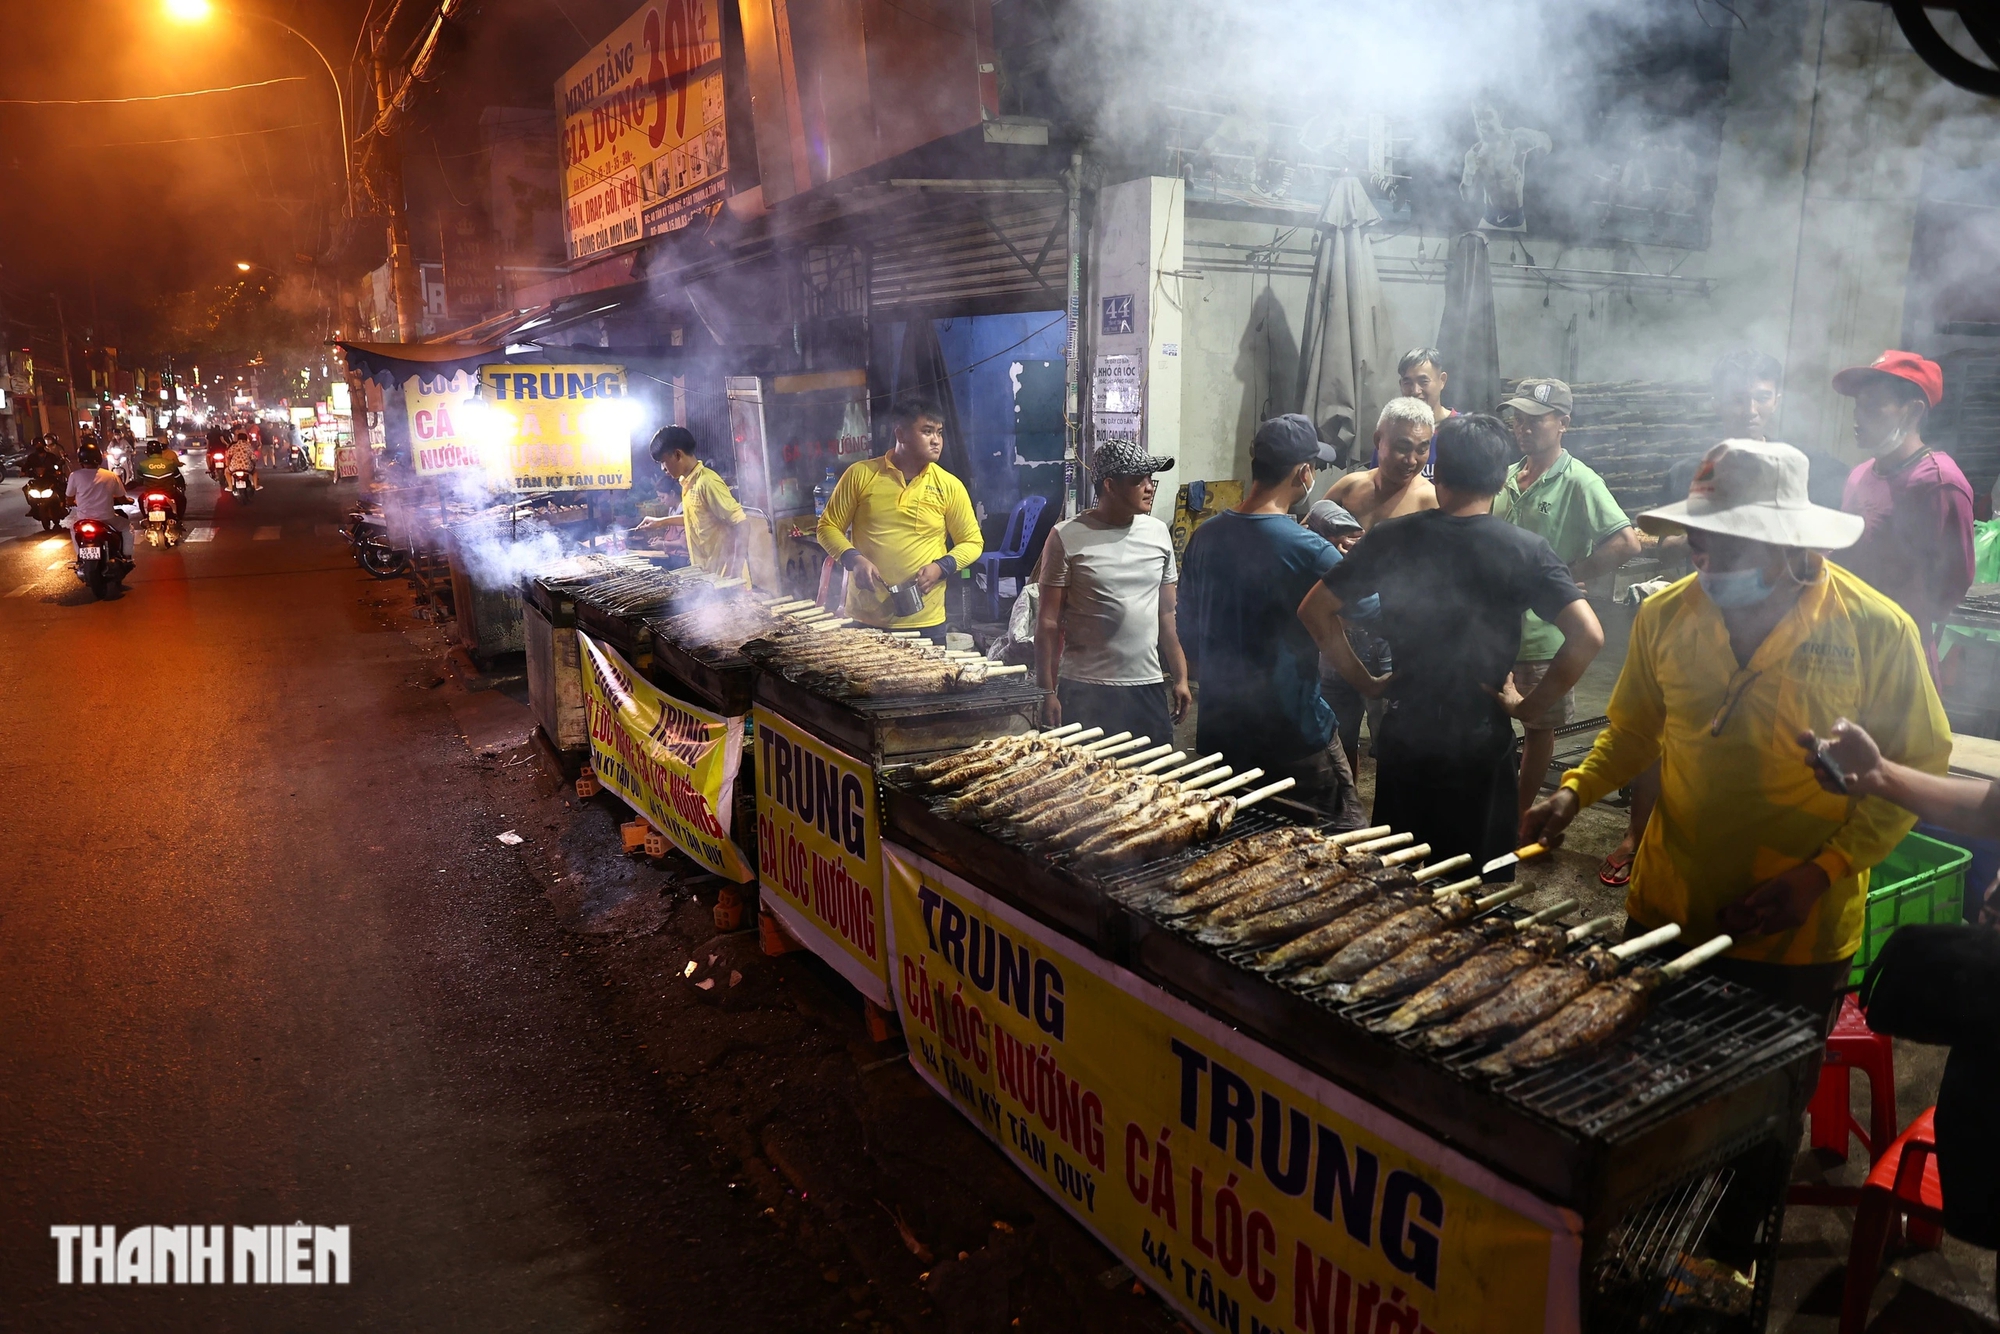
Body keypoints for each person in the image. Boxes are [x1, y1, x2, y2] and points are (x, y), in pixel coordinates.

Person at [1520, 439, 1952, 1017]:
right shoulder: (1664, 614)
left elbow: (1915, 766)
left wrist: (1823, 874)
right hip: (1669, 905)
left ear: (1790, 545)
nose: (1709, 566)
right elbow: (1634, 732)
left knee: (1763, 1099)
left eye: (1731, 550)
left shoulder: (1876, 628)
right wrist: (1576, 790)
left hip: (1797, 924)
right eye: (1700, 545)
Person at [1303, 413, 1604, 873]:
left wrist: (1366, 682)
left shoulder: (1394, 537)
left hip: (1408, 735)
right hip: (1480, 740)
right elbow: (1588, 635)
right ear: (1502, 478)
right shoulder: (1525, 549)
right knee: (1478, 896)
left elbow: (1315, 610)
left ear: (1437, 472)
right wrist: (1527, 707)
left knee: (1402, 882)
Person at [1605, 349, 1844, 887]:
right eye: (1740, 397)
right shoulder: (1689, 471)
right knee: (1662, 722)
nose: (1752, 408)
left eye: (1762, 396)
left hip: (1768, 612)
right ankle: (1638, 831)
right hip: (1697, 604)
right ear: (1719, 402)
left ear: (1776, 399)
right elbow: (1676, 541)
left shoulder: (1800, 470)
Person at [1178, 413, 1365, 826]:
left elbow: (1186, 634)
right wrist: (1354, 563)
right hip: (1294, 738)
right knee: (1342, 854)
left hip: (1220, 735)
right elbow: (1367, 609)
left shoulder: (1204, 537)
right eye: (1313, 467)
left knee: (1238, 848)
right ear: (1303, 473)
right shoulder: (1309, 548)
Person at [1493, 376, 1641, 818]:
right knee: (1497, 722)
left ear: (1564, 423)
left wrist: (1572, 576)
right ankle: (1494, 806)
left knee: (1539, 727)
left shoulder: (1579, 481)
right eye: (1519, 419)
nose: (1525, 427)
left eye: (1536, 419)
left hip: (1546, 634)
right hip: (1498, 630)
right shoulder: (1507, 477)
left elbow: (1627, 542)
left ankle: (1519, 816)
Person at [1035, 439, 1191, 742]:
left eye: (1151, 478)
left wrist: (1181, 677)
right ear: (1110, 485)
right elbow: (1048, 623)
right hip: (1086, 688)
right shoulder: (1066, 536)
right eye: (1138, 479)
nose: (1149, 486)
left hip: (1146, 685)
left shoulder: (1158, 533)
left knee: (1154, 782)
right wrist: (1047, 691)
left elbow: (1167, 614)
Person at [1835, 350, 1974, 676]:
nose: (1858, 416)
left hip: (1899, 658)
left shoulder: (1940, 483)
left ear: (1912, 412)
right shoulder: (1859, 474)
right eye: (1857, 405)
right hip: (1843, 650)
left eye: (1872, 406)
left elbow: (1952, 586)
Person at [816, 398, 984, 640]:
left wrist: (942, 567)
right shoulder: (861, 475)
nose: (936, 440)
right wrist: (853, 559)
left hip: (926, 621)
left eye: (939, 432)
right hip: (867, 618)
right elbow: (828, 527)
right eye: (927, 431)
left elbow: (973, 542)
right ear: (901, 434)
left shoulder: (949, 485)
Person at [1302, 499, 1384, 773]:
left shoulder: (1423, 500)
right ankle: (1348, 802)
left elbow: (1371, 606)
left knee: (1388, 738)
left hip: (1379, 645)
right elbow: (1320, 509)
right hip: (1336, 647)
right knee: (1341, 737)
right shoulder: (1354, 490)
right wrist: (1334, 557)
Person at [635, 426, 752, 581]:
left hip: (725, 579)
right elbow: (696, 518)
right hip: (707, 577)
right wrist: (660, 522)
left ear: (677, 454)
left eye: (663, 462)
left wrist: (735, 574)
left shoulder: (708, 482)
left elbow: (741, 523)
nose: (663, 468)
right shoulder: (687, 483)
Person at [1326, 397, 1438, 530]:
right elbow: (1305, 534)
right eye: (1402, 447)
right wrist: (1333, 541)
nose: (1411, 460)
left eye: (1422, 450)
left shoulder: (1431, 501)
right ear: (1378, 440)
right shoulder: (1350, 485)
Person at [65, 442, 130, 543]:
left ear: (80, 460)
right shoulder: (111, 476)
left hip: (83, 518)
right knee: (127, 528)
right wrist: (128, 501)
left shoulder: (74, 475)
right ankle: (127, 556)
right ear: (99, 458)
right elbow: (121, 498)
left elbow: (69, 499)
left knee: (74, 530)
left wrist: (73, 502)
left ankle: (80, 555)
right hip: (107, 517)